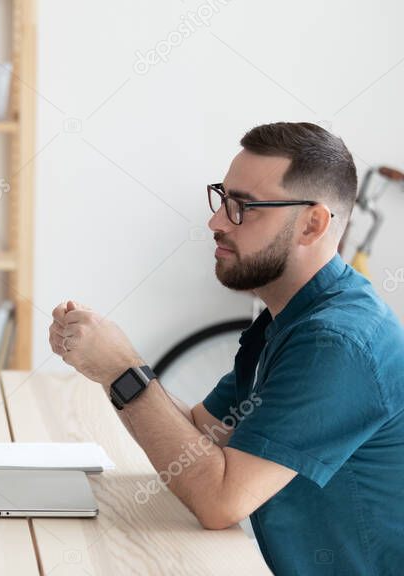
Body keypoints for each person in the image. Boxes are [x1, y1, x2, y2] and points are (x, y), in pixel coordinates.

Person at [49, 122, 404, 574]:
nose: (216, 222)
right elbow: (201, 432)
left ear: (312, 224)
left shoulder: (335, 343)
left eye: (245, 207)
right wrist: (108, 367)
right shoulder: (289, 317)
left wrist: (123, 368)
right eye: (223, 199)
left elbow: (220, 500)